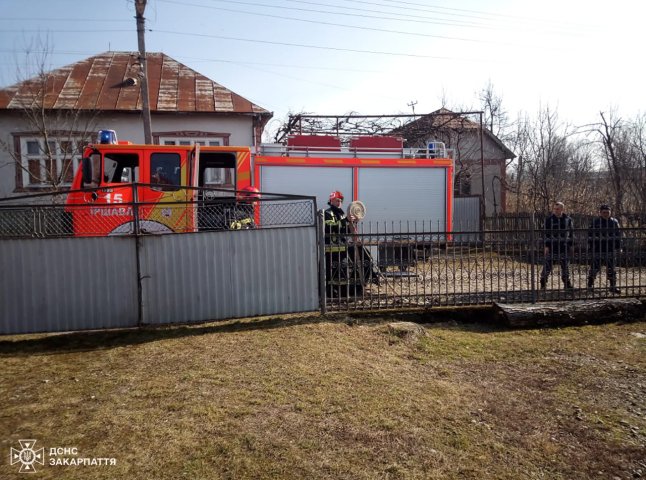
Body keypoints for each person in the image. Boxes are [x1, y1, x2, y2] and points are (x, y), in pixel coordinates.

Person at [324, 191, 358, 296]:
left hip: (343, 249)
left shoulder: (342, 213)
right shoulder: (327, 213)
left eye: (340, 201)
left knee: (343, 273)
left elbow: (344, 231)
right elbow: (330, 228)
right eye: (336, 200)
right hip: (331, 250)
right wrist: (345, 221)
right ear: (331, 201)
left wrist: (353, 222)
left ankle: (343, 295)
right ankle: (330, 295)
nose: (339, 203)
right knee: (331, 274)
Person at [587, 204, 622, 293]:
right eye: (604, 212)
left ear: (610, 212)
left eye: (607, 212)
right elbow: (590, 235)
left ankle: (612, 286)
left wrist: (619, 247)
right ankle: (590, 285)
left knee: (611, 268)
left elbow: (618, 235)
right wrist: (591, 247)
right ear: (600, 212)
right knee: (594, 268)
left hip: (610, 248)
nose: (606, 214)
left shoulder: (614, 222)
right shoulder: (596, 222)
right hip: (598, 248)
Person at [540, 201, 574, 289]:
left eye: (557, 209)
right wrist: (546, 246)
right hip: (552, 246)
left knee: (565, 267)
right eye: (554, 209)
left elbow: (571, 233)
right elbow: (545, 233)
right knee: (547, 266)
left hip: (564, 246)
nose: (555, 210)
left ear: (562, 209)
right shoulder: (549, 220)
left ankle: (567, 283)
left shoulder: (568, 219)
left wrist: (571, 245)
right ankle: (543, 282)